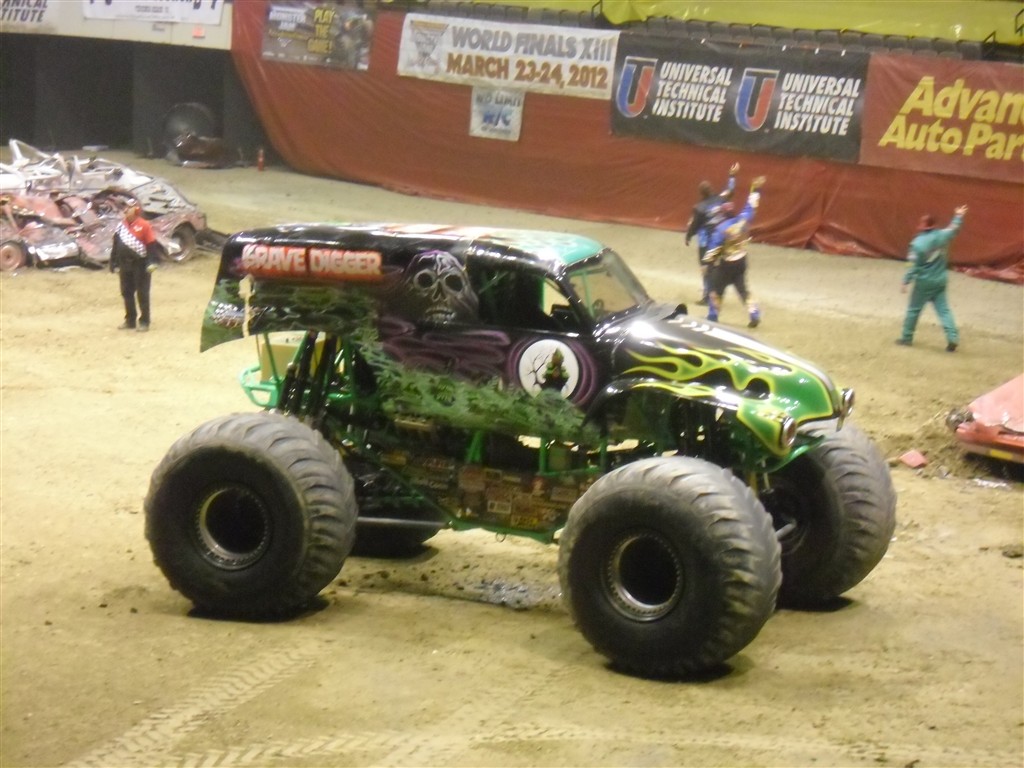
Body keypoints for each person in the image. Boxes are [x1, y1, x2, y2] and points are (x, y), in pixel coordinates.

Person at [897, 205, 967, 352]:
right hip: (940, 279)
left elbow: (912, 265)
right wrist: (959, 215)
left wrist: (906, 280)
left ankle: (906, 337)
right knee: (944, 311)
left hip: (924, 282)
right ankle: (952, 337)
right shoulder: (943, 236)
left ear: (924, 226)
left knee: (913, 310)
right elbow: (954, 228)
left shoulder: (917, 244)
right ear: (934, 225)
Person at [703, 175, 766, 328]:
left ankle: (712, 315)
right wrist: (756, 189)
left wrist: (707, 263)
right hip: (741, 260)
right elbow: (751, 206)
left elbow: (714, 250)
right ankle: (754, 313)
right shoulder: (743, 220)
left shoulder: (720, 230)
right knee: (743, 290)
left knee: (716, 289)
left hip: (726, 264)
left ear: (722, 214)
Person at [685, 162, 739, 305]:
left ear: (700, 193)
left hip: (707, 242)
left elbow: (694, 225)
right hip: (722, 238)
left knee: (705, 268)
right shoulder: (721, 199)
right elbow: (730, 190)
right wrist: (732, 176)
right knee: (716, 266)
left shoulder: (699, 208)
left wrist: (688, 236)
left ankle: (708, 296)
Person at [110, 201, 160, 332]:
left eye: (128, 208)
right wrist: (113, 262)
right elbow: (116, 245)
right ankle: (130, 320)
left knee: (142, 293)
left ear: (135, 210)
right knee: (126, 292)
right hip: (124, 264)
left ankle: (144, 321)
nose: (125, 210)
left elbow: (151, 245)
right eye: (125, 208)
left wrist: (151, 262)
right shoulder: (121, 226)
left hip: (140, 264)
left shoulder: (144, 225)